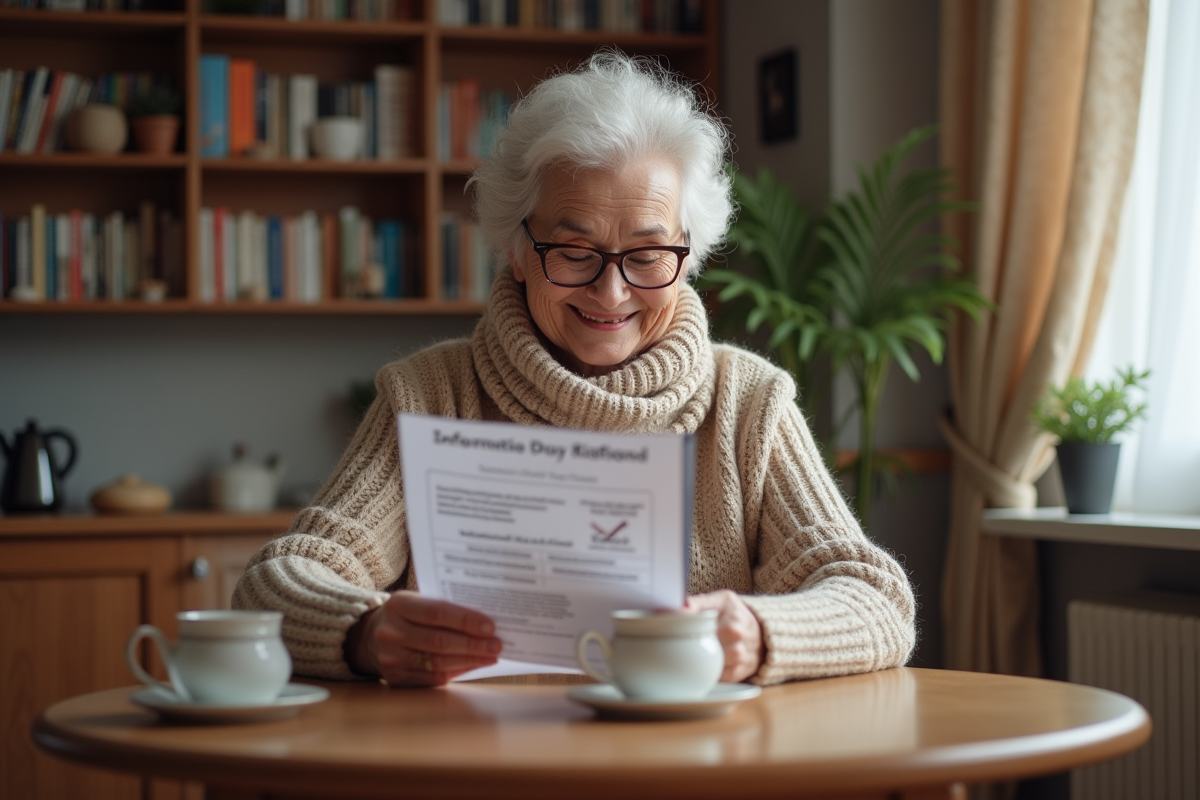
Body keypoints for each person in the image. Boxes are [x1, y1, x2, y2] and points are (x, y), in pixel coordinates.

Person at [233, 51, 915, 688]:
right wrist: (363, 630)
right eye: (573, 249)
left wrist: (761, 633)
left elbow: (878, 601)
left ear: (689, 252)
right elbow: (274, 583)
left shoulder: (749, 403)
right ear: (518, 247)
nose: (611, 292)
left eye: (648, 256)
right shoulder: (431, 394)